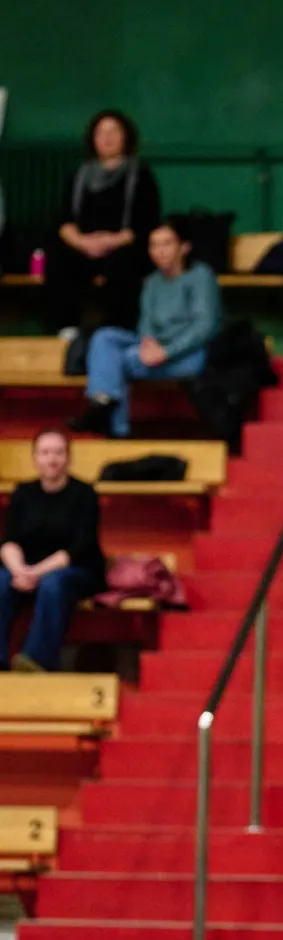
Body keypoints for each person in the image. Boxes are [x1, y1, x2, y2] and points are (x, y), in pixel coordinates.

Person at [69, 219, 222, 438]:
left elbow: (205, 326)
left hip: (189, 353)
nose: (159, 251)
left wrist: (166, 351)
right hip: (155, 347)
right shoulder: (152, 281)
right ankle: (101, 403)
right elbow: (146, 321)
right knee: (105, 337)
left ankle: (116, 429)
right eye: (154, 245)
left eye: (166, 244)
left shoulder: (201, 276)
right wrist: (148, 341)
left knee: (118, 361)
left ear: (184, 247)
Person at [45, 110, 161, 338]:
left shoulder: (141, 174)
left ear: (126, 137)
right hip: (84, 246)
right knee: (59, 258)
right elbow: (64, 220)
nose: (107, 138)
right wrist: (82, 242)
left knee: (125, 264)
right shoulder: (79, 175)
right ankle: (67, 328)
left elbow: (146, 221)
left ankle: (117, 331)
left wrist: (111, 241)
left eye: (113, 131)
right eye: (101, 133)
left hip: (122, 245)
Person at [0, 429, 106, 671]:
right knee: (1, 581)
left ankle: (36, 660)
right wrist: (19, 570)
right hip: (27, 568)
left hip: (75, 570)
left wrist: (35, 572)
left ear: (68, 458)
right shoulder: (23, 493)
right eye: (45, 453)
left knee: (53, 583)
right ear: (35, 458)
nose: (52, 459)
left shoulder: (84, 494)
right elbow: (9, 540)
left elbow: (81, 547)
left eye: (58, 453)